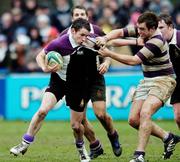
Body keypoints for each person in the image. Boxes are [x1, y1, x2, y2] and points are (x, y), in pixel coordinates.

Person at [97, 11, 180, 162]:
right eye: (138, 28)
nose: (139, 32)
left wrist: (109, 53)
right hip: (147, 80)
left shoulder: (157, 41)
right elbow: (120, 32)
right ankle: (168, 137)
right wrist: (105, 38)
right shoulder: (143, 30)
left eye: (142, 29)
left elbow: (134, 61)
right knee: (133, 120)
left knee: (145, 112)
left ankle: (139, 154)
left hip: (164, 80)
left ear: (152, 28)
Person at [10, 18, 91, 162]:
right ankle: (24, 143)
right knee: (42, 111)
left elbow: (106, 50)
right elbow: (40, 56)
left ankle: (81, 149)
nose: (85, 39)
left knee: (76, 126)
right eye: (82, 35)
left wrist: (107, 62)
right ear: (73, 31)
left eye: (87, 35)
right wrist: (44, 68)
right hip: (58, 82)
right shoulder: (59, 43)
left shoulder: (90, 43)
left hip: (78, 86)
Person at [60, 5, 121, 159]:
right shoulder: (64, 35)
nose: (79, 16)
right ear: (72, 18)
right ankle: (95, 145)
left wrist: (106, 62)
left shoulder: (96, 31)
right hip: (76, 81)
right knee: (80, 120)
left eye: (82, 14)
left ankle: (113, 134)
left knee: (100, 114)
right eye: (76, 14)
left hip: (95, 77)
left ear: (87, 17)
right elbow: (56, 55)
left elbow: (108, 47)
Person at [158, 13, 180, 129]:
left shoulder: (179, 38)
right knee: (178, 117)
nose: (159, 31)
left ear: (170, 27)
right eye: (157, 28)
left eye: (161, 28)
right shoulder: (160, 43)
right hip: (177, 80)